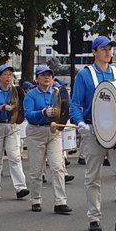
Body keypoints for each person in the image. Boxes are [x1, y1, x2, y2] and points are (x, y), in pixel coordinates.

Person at [69, 36, 116, 231]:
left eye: (110, 49)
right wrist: (80, 122)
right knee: (93, 176)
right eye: (103, 49)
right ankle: (94, 217)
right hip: (93, 129)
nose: (108, 52)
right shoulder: (84, 75)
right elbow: (75, 103)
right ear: (94, 52)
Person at [23, 64, 71, 213]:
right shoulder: (31, 95)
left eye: (49, 75)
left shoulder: (56, 93)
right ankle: (35, 199)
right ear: (37, 78)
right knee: (36, 169)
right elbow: (28, 115)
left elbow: (65, 110)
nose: (46, 77)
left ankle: (60, 202)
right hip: (36, 132)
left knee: (58, 167)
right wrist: (43, 112)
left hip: (53, 131)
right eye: (43, 75)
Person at [0, 64, 29, 200]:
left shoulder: (15, 90)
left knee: (15, 157)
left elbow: (23, 106)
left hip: (11, 125)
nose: (8, 77)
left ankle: (21, 187)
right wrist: (1, 108)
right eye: (5, 74)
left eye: (10, 75)